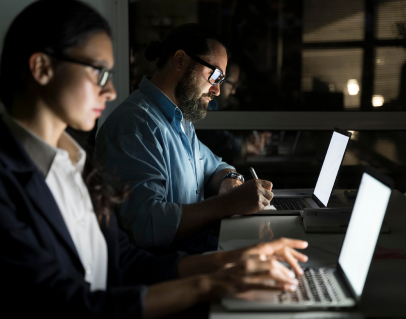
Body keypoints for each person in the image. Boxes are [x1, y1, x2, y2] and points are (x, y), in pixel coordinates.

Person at [0, 1, 309, 318]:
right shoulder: (129, 129)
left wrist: (231, 261)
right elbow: (71, 303)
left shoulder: (77, 163)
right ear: (42, 68)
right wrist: (210, 283)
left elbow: (123, 261)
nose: (109, 92)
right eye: (99, 72)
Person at [95, 23, 274, 253]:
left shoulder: (180, 120)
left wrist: (229, 179)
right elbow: (147, 224)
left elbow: (215, 165)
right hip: (165, 274)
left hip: (195, 254)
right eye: (215, 75)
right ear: (180, 61)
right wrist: (229, 203)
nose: (218, 90)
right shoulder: (136, 127)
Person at [197, 59, 272, 163]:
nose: (233, 91)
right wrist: (244, 147)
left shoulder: (215, 106)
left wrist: (246, 139)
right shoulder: (204, 107)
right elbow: (214, 138)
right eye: (233, 85)